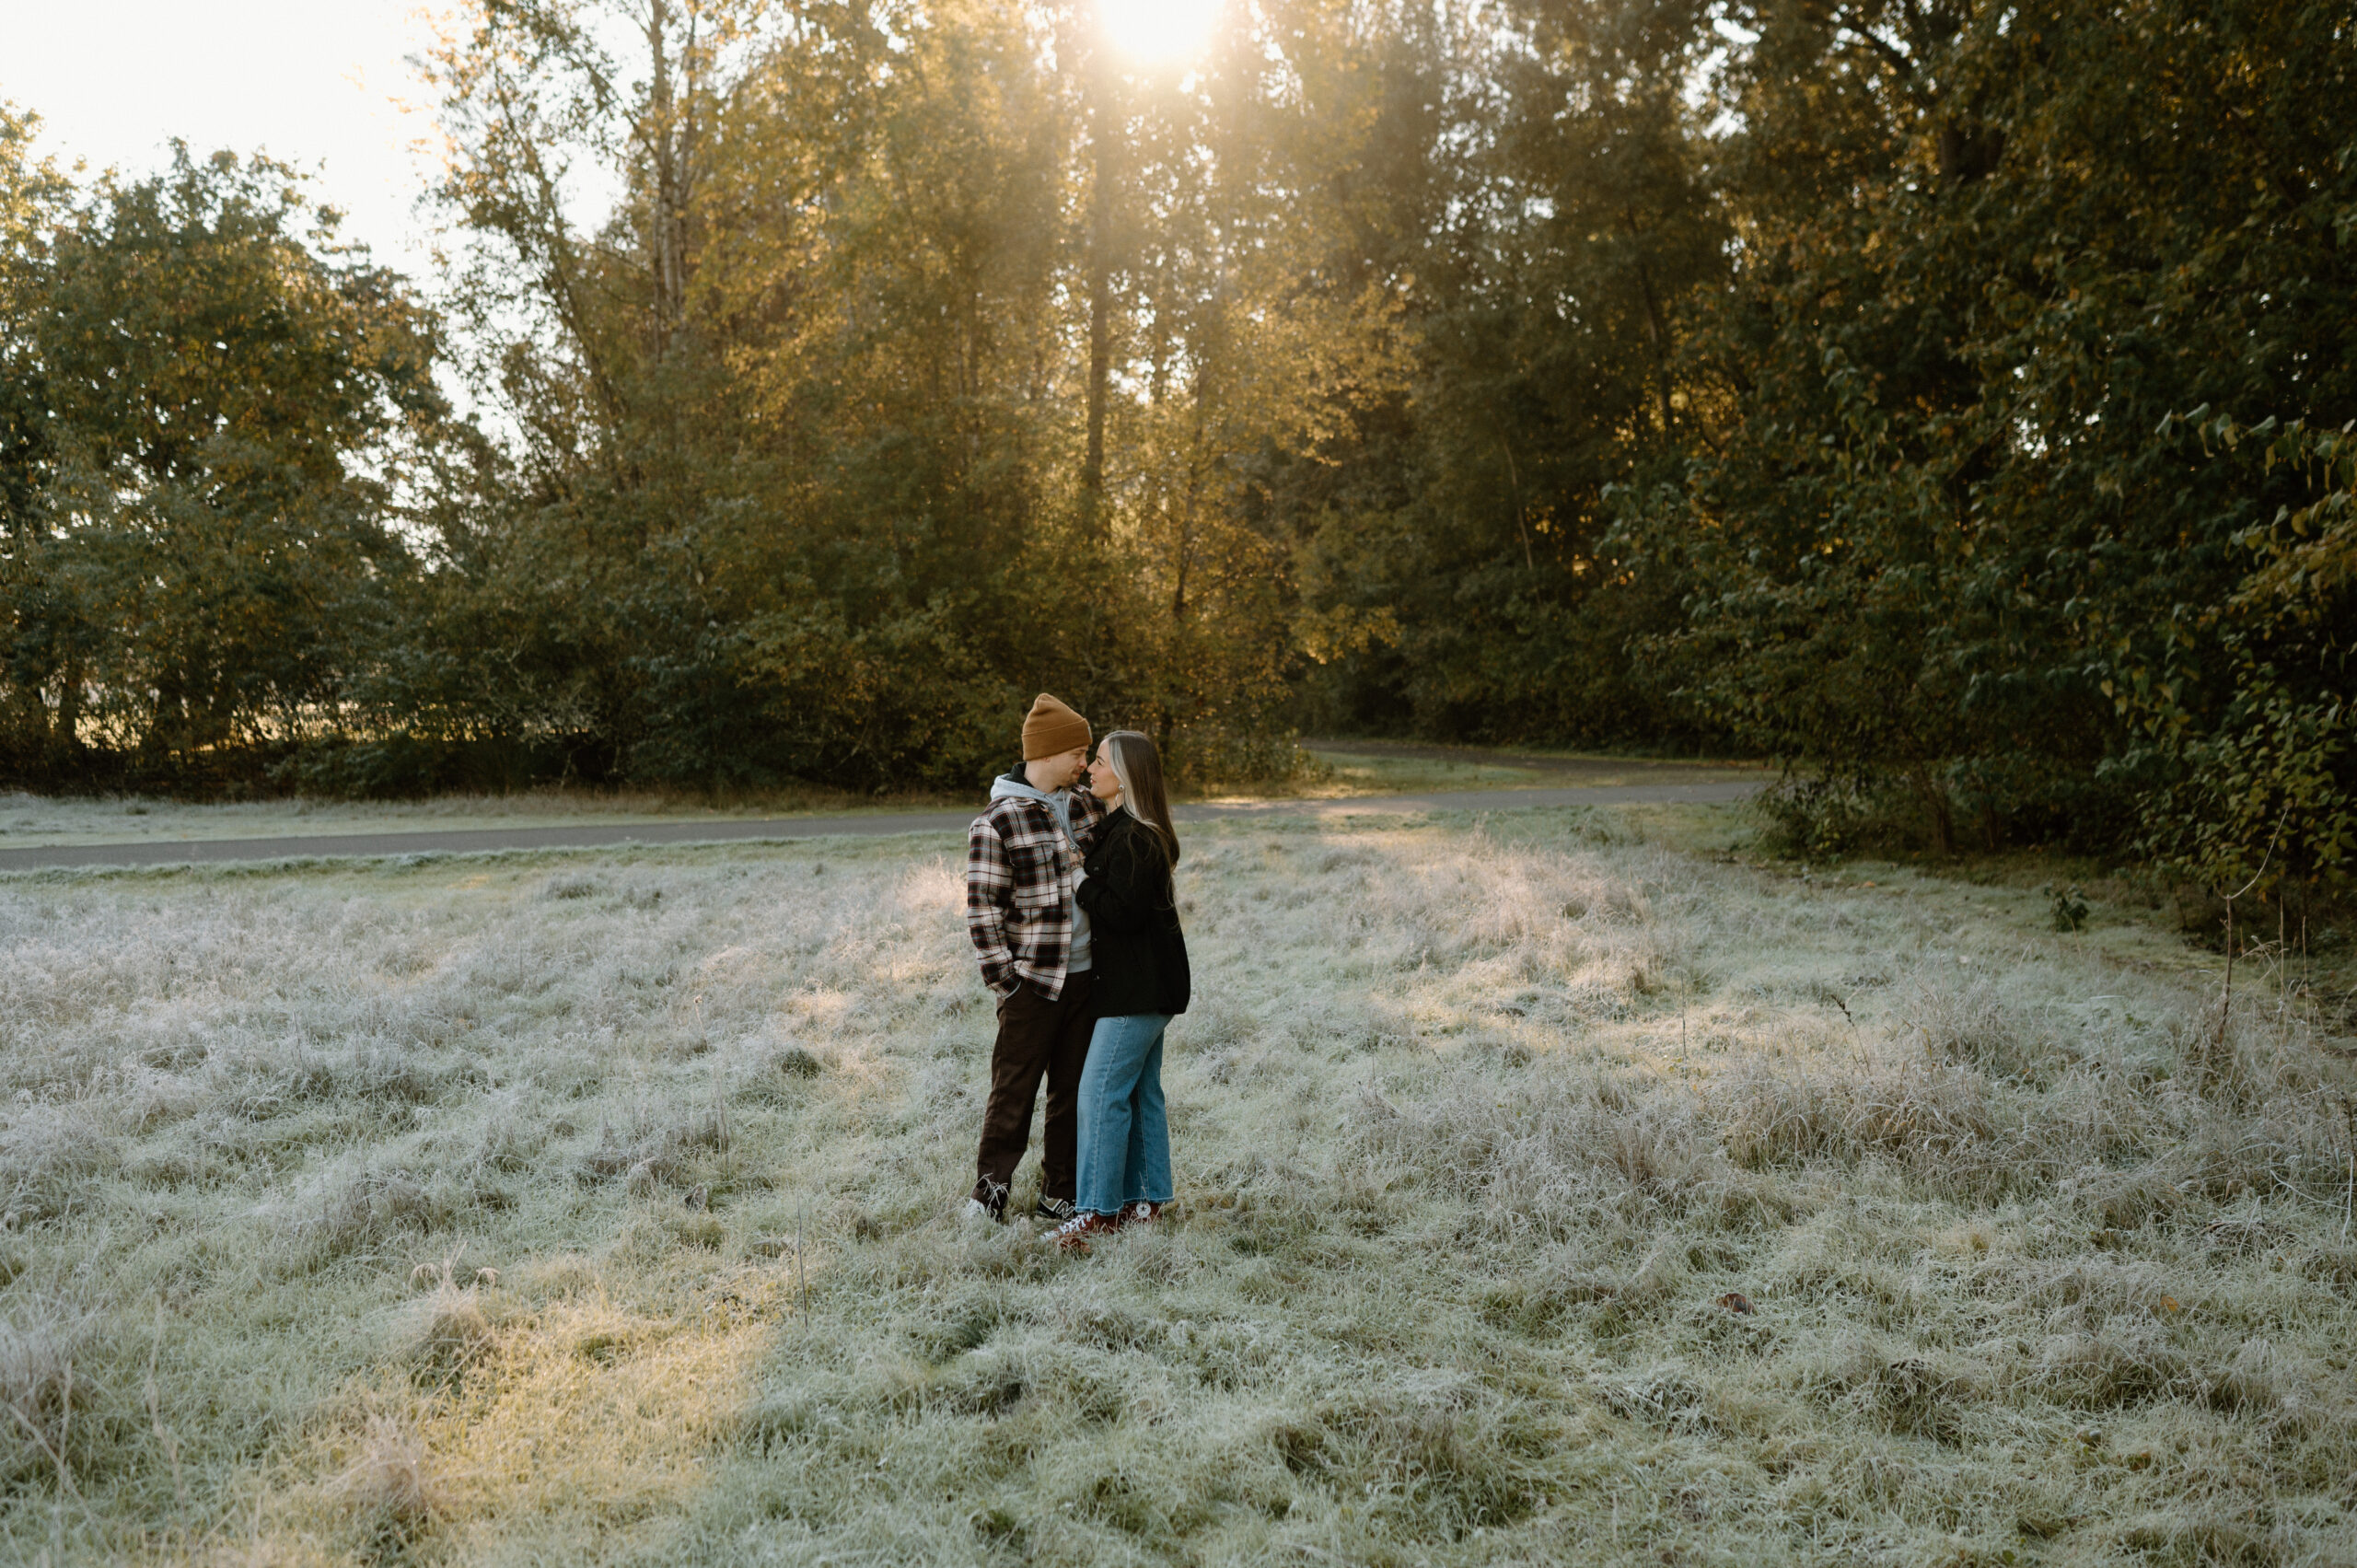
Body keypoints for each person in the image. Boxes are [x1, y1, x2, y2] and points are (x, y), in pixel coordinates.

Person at [964, 693, 1109, 1224]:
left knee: (1072, 1093)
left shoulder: (1087, 806)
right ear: (1049, 752)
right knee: (1014, 1092)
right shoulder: (998, 821)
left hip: (1087, 978)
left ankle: (1059, 1193)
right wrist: (1009, 983)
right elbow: (983, 914)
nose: (1085, 763)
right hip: (1032, 984)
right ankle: (989, 1199)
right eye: (1080, 751)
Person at [1053, 729, 1190, 1253]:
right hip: (1151, 988)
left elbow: (1121, 912)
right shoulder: (1128, 829)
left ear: (1126, 777)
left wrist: (1077, 881)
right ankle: (1147, 1202)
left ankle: (1096, 1213)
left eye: (1101, 762)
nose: (1091, 769)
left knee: (1100, 1092)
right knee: (1139, 1092)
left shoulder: (1137, 836)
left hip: (1137, 991)